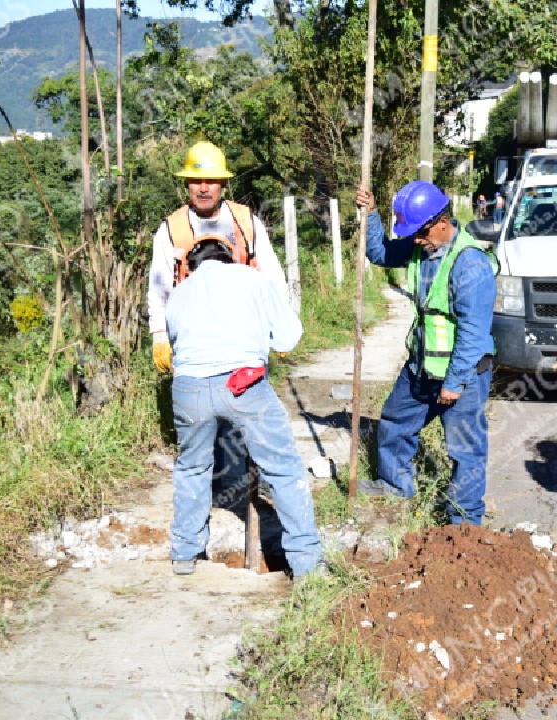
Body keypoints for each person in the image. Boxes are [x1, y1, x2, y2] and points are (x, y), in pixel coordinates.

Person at [164, 237, 322, 579]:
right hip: (242, 383)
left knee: (193, 467)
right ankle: (307, 563)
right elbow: (288, 337)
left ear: (190, 266)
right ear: (234, 258)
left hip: (189, 387)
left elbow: (175, 342)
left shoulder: (179, 293)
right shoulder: (253, 279)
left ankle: (185, 555)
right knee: (282, 468)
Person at [147, 141, 289, 499]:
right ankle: (219, 483)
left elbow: (272, 276)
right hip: (195, 338)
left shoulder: (244, 222)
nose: (204, 187)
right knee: (205, 419)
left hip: (244, 334)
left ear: (223, 184)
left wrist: (281, 324)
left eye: (212, 180)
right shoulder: (171, 230)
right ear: (187, 185)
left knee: (251, 416)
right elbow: (159, 289)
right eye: (197, 181)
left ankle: (258, 479)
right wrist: (159, 335)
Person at [354, 181, 497, 525]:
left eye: (420, 233)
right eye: (413, 234)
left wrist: (454, 382)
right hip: (421, 367)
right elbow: (381, 254)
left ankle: (464, 520)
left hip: (463, 372)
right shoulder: (421, 246)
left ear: (442, 222)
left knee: (465, 449)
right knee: (394, 423)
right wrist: (371, 214)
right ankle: (396, 485)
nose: (415, 240)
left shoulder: (470, 264)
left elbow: (473, 335)